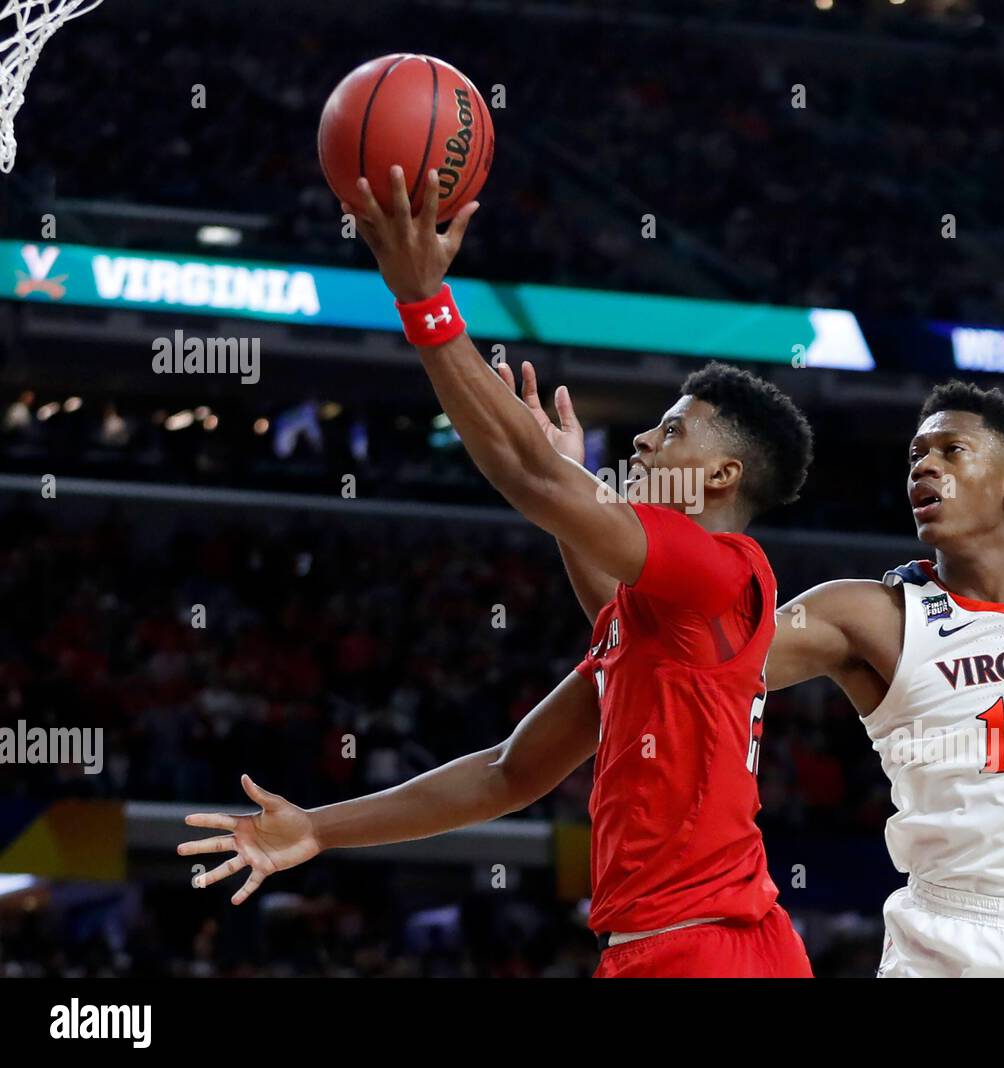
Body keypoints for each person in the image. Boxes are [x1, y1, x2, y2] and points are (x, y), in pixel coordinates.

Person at [179, 168, 816, 978]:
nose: (646, 445)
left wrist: (423, 303)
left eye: (672, 430)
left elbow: (537, 485)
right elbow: (505, 773)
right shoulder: (660, 624)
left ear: (722, 477)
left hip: (705, 949)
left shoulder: (721, 568)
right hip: (700, 946)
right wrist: (318, 828)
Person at [546, 373, 1004, 978]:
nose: (923, 467)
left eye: (950, 451)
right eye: (915, 455)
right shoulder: (866, 615)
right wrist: (570, 494)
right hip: (950, 935)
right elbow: (668, 638)